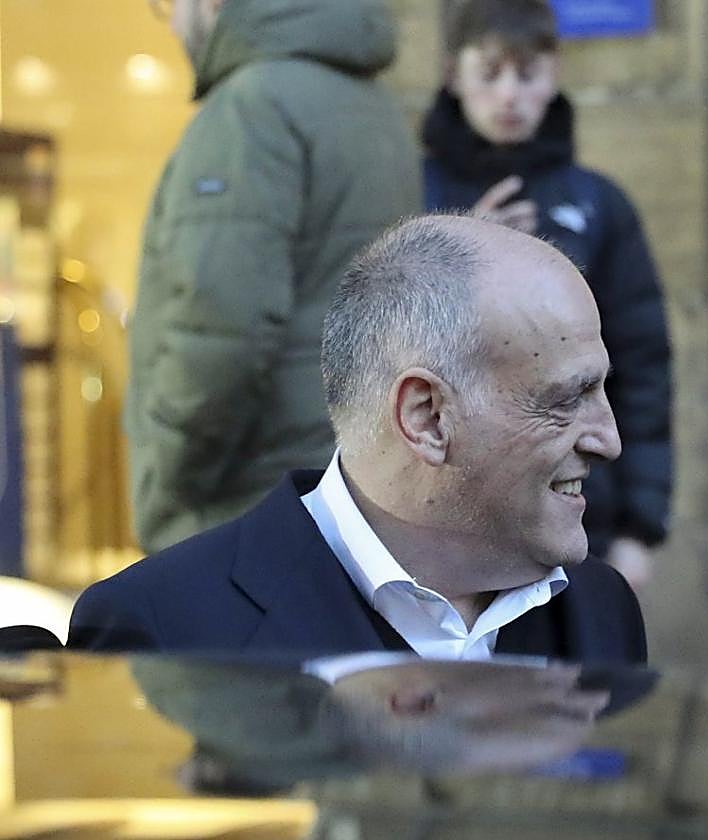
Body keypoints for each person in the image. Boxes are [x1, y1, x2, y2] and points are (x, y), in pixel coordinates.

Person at [69, 215, 646, 664]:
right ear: (427, 419)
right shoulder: (163, 627)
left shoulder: (602, 611)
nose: (608, 440)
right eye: (568, 398)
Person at [128, 0, 421, 552]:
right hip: (355, 487)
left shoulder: (249, 109)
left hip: (247, 506)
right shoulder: (378, 108)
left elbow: (221, 335)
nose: (170, 21)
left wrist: (167, 480)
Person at [420, 0, 672, 590]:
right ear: (455, 74)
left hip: (580, 516)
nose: (509, 95)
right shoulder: (409, 195)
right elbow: (379, 356)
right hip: (435, 516)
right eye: (490, 73)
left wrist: (640, 527)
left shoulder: (598, 205)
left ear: (553, 74)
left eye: (526, 74)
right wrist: (458, 255)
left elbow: (642, 368)